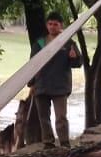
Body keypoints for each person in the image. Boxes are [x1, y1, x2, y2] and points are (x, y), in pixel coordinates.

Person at [29, 12, 82, 147]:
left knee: (61, 118)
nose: (52, 27)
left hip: (60, 86)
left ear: (61, 26)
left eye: (55, 24)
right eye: (50, 24)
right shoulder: (39, 43)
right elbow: (32, 65)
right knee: (44, 118)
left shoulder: (68, 42)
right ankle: (48, 143)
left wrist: (73, 57)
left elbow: (78, 63)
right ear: (47, 25)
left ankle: (64, 143)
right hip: (41, 86)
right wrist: (31, 84)